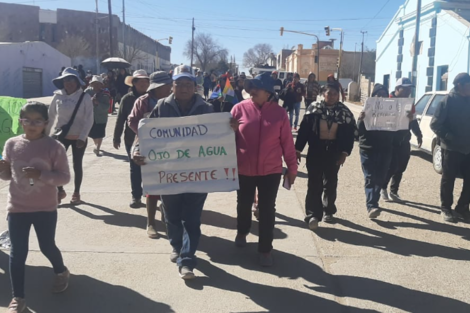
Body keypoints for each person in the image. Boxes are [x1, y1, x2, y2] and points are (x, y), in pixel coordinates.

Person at [132, 65, 235, 279]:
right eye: (180, 84)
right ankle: (177, 246)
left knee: (192, 218)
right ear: (173, 87)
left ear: (195, 87)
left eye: (189, 84)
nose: (184, 88)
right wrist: (136, 150)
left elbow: (218, 136)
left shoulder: (206, 109)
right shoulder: (161, 106)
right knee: (172, 216)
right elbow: (145, 132)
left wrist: (230, 128)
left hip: (198, 175)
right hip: (168, 174)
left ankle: (187, 260)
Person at [0, 102, 71, 313]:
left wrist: (41, 175)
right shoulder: (11, 144)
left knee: (46, 246)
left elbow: (65, 177)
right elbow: (6, 176)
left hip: (45, 208)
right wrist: (2, 169)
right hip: (17, 207)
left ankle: (61, 271)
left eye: (37, 120)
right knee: (17, 252)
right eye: (27, 120)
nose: (32, 124)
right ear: (20, 121)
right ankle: (18, 298)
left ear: (45, 123)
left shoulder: (54, 147)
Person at [231, 72, 297, 267]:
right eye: (251, 87)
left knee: (267, 209)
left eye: (256, 88)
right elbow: (225, 139)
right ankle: (242, 231)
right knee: (243, 204)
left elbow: (287, 143)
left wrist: (292, 168)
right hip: (244, 169)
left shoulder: (280, 114)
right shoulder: (238, 109)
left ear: (268, 93)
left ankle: (266, 249)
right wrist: (229, 129)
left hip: (271, 171)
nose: (252, 91)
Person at [295, 83, 357, 230]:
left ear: (338, 95)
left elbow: (349, 135)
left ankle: (328, 210)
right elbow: (304, 130)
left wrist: (344, 153)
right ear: (323, 94)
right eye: (329, 94)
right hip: (316, 150)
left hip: (334, 152)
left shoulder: (344, 112)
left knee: (330, 182)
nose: (332, 97)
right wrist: (297, 149)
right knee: (314, 183)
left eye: (335, 94)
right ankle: (312, 215)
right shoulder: (313, 110)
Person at [128, 71, 173, 238]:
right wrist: (147, 134)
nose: (169, 88)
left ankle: (167, 218)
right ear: (158, 87)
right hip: (149, 147)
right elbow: (132, 121)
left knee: (169, 185)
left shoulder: (172, 101)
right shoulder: (143, 102)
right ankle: (151, 223)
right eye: (167, 86)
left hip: (170, 149)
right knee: (152, 186)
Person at [47, 67, 94, 205]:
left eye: (72, 80)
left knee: (77, 165)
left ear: (77, 81)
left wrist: (83, 137)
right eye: (66, 80)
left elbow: (89, 118)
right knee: (56, 165)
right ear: (62, 82)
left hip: (79, 137)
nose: (69, 83)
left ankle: (76, 192)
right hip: (61, 136)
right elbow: (51, 116)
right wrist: (45, 136)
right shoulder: (58, 96)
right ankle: (59, 190)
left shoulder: (84, 97)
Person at [431, 72, 470, 222]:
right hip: (452, 148)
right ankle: (446, 208)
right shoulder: (447, 101)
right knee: (449, 179)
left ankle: (462, 207)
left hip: (468, 147)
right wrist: (450, 137)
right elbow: (435, 124)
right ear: (459, 86)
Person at [381, 77, 422, 202]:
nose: (409, 91)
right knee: (391, 165)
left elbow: (414, 121)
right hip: (389, 140)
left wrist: (418, 134)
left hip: (404, 139)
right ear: (397, 89)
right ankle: (383, 187)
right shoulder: (387, 100)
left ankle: (394, 191)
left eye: (410, 89)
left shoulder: (409, 103)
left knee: (401, 166)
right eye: (406, 89)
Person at [113, 69, 150, 208]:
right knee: (135, 168)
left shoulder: (153, 97)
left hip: (152, 140)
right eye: (140, 81)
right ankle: (136, 196)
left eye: (146, 81)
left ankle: (150, 193)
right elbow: (120, 118)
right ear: (133, 83)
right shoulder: (127, 99)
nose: (143, 83)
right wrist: (116, 137)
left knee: (150, 167)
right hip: (131, 139)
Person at [357, 84, 395, 219]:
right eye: (378, 94)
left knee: (380, 178)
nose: (381, 97)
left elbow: (398, 128)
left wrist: (405, 119)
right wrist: (361, 120)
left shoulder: (392, 111)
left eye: (384, 94)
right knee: (370, 177)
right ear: (373, 96)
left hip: (385, 150)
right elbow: (357, 132)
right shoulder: (366, 110)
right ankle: (372, 205)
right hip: (368, 149)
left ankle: (374, 201)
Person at [85, 75, 111, 156]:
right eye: (94, 83)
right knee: (92, 134)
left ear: (101, 85)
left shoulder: (105, 94)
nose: (96, 85)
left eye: (98, 84)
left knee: (100, 133)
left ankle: (97, 147)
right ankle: (96, 144)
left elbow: (107, 106)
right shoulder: (87, 92)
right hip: (90, 116)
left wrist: (98, 103)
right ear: (91, 84)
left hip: (101, 117)